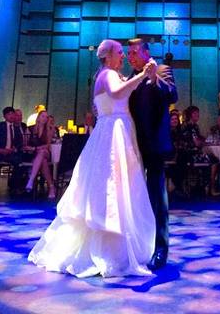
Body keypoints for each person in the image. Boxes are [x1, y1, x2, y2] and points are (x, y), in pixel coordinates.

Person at [29, 39, 157, 277]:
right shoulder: (107, 74)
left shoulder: (110, 73)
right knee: (110, 185)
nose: (123, 57)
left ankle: (118, 243)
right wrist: (141, 76)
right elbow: (117, 93)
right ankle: (108, 249)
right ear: (108, 56)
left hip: (117, 130)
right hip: (112, 133)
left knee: (119, 185)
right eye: (120, 53)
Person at [126, 38, 177, 270]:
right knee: (136, 197)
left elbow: (172, 95)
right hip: (133, 145)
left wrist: (154, 77)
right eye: (129, 53)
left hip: (155, 144)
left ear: (146, 52)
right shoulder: (130, 78)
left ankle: (160, 249)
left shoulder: (163, 69)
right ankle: (138, 246)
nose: (131, 56)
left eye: (135, 52)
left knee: (157, 197)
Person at [23, 109, 56, 198]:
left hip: (45, 152)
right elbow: (25, 144)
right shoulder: (30, 128)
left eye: (46, 117)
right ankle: (51, 186)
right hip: (34, 154)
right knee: (43, 162)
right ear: (38, 118)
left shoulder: (49, 129)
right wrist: (34, 149)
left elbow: (48, 145)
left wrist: (36, 148)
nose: (45, 118)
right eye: (43, 116)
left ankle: (31, 180)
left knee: (42, 152)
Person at [0, 107, 24, 191]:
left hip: (12, 153)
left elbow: (19, 142)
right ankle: (14, 185)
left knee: (22, 160)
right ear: (5, 116)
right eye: (9, 114)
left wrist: (15, 148)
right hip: (1, 153)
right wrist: (0, 150)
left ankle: (15, 184)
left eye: (12, 114)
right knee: (18, 161)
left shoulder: (16, 128)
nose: (11, 116)